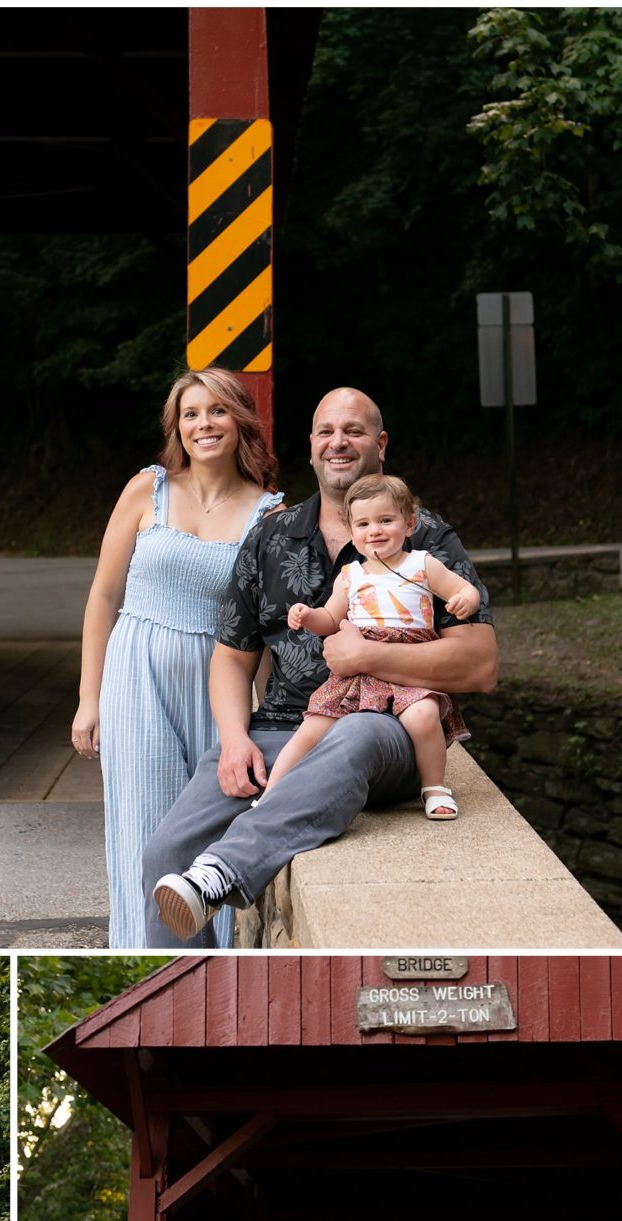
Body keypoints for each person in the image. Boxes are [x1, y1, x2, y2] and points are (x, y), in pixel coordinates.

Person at [146, 386, 497, 945]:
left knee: (355, 734)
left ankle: (224, 870)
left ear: (380, 445)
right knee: (166, 848)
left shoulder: (425, 537)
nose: (339, 443)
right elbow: (232, 661)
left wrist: (370, 656)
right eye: (326, 432)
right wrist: (235, 738)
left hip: (386, 728)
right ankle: (182, 994)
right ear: (310, 448)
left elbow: (481, 664)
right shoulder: (271, 537)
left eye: (354, 431)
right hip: (281, 728)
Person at [71, 368, 282, 948]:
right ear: (177, 427)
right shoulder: (148, 489)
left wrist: (260, 720)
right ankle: (140, 954)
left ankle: (206, 964)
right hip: (137, 675)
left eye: (216, 411)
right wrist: (89, 699)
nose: (203, 425)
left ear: (240, 421)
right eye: (190, 414)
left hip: (217, 685)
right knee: (145, 834)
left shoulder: (270, 515)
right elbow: (103, 596)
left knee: (206, 834)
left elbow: (263, 631)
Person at [261, 473, 479, 821]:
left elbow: (463, 588)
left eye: (385, 520)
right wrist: (307, 615)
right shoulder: (351, 575)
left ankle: (435, 788)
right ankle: (273, 791)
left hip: (407, 665)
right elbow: (331, 618)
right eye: (363, 524)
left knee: (423, 717)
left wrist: (464, 600)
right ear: (352, 532)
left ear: (409, 524)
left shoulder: (421, 564)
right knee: (313, 726)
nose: (374, 530)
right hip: (360, 668)